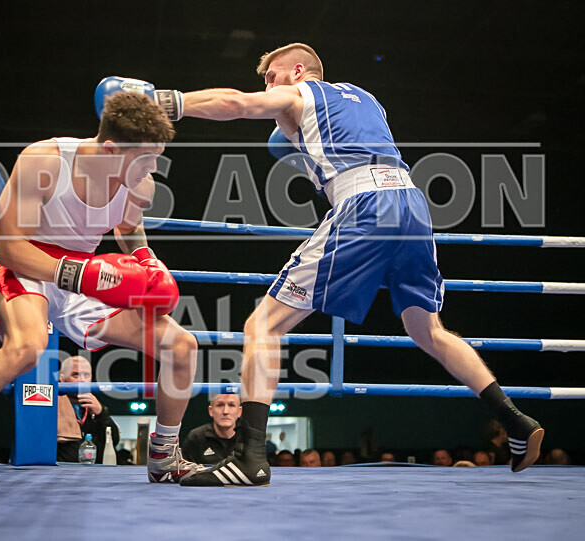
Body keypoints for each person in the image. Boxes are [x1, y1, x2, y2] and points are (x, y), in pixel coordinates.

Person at [92, 42, 545, 485]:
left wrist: (164, 103)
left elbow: (236, 103)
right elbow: (318, 143)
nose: (268, 86)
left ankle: (250, 458)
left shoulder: (300, 90)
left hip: (364, 203)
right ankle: (516, 421)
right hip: (411, 204)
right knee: (427, 329)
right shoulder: (367, 100)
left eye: (272, 76)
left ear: (298, 71)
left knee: (262, 327)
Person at [0, 93, 206, 491]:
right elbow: (11, 247)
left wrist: (147, 259)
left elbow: (128, 229)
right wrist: (79, 276)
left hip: (83, 272)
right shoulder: (45, 162)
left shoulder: (140, 185)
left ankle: (165, 458)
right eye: (147, 157)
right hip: (30, 263)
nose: (154, 167)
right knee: (26, 347)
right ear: (112, 149)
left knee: (182, 345)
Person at [56, 356, 120, 464]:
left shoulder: (94, 407)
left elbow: (113, 441)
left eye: (86, 375)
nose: (82, 379)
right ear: (62, 378)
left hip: (92, 471)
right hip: (61, 470)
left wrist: (101, 413)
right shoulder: (52, 406)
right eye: (75, 374)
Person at [182, 394, 242, 464]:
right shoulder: (196, 437)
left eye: (231, 405)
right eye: (220, 405)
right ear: (211, 411)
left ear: (239, 412)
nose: (225, 411)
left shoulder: (248, 438)